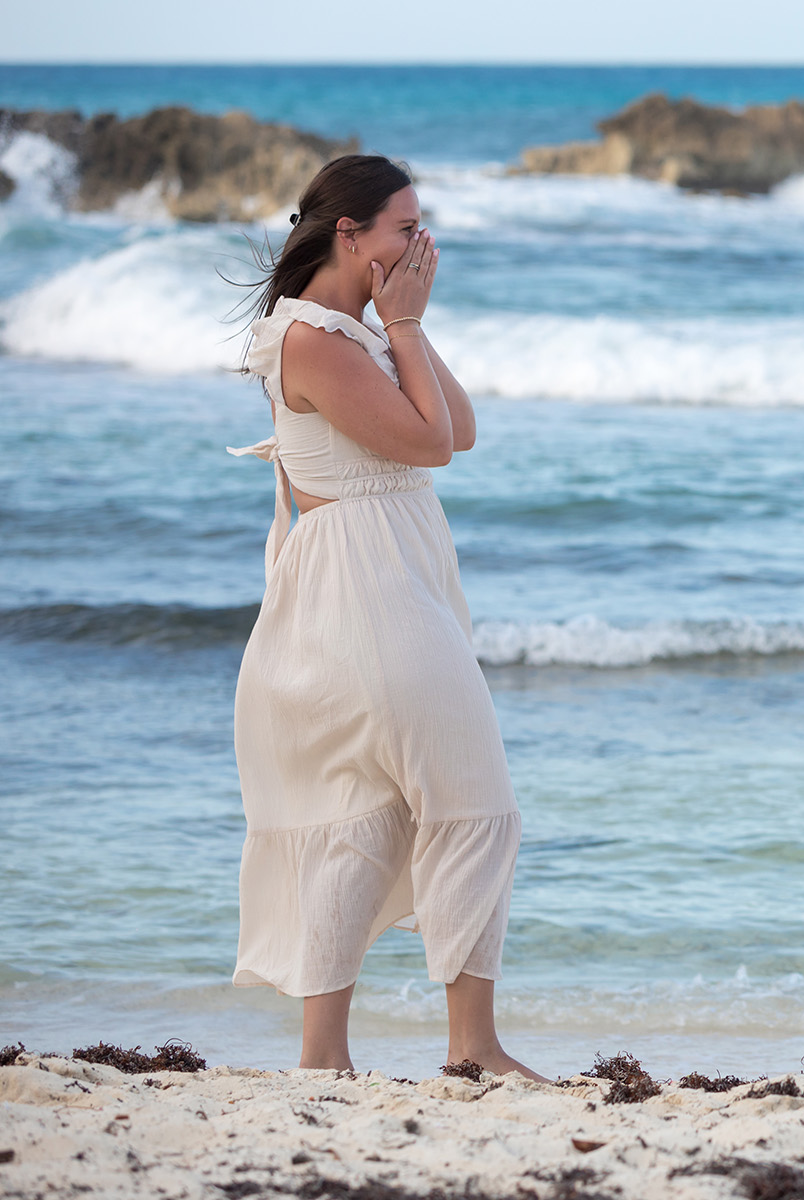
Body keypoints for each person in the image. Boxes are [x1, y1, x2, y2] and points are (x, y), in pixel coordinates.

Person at [228, 155, 541, 1079]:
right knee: (473, 796)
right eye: (405, 228)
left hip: (391, 579)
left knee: (367, 815)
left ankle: (323, 1060)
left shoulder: (351, 330)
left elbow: (463, 425)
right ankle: (473, 1049)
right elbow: (430, 444)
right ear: (347, 234)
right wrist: (399, 322)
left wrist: (404, 327)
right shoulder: (314, 342)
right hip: (366, 590)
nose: (422, 245)